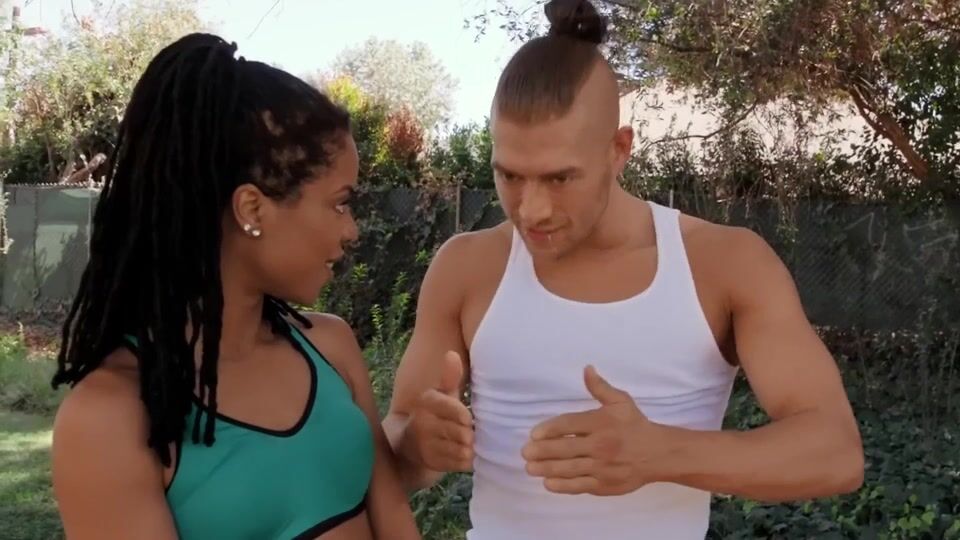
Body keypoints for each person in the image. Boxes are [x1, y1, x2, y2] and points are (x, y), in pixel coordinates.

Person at [383, 1, 865, 538]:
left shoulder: (723, 264)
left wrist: (661, 453)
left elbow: (835, 452)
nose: (531, 210)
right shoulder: (466, 267)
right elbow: (397, 445)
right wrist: (415, 446)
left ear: (618, 150)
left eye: (560, 178)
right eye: (510, 176)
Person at [49, 33, 420, 540]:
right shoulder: (110, 415)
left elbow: (395, 520)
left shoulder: (331, 348)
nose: (351, 229)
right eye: (339, 203)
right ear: (252, 210)